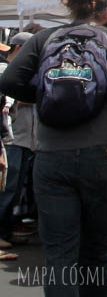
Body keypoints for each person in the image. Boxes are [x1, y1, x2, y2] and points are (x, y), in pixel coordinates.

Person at [0, 0, 107, 296]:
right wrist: (100, 94)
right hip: (101, 155)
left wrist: (44, 95)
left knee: (59, 257)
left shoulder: (43, 39)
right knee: (95, 253)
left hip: (52, 155)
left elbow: (9, 80)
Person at [0, 32, 37, 258]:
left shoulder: (21, 72)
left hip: (24, 140)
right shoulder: (6, 71)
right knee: (7, 187)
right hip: (12, 138)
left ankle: (6, 228)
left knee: (13, 189)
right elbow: (10, 101)